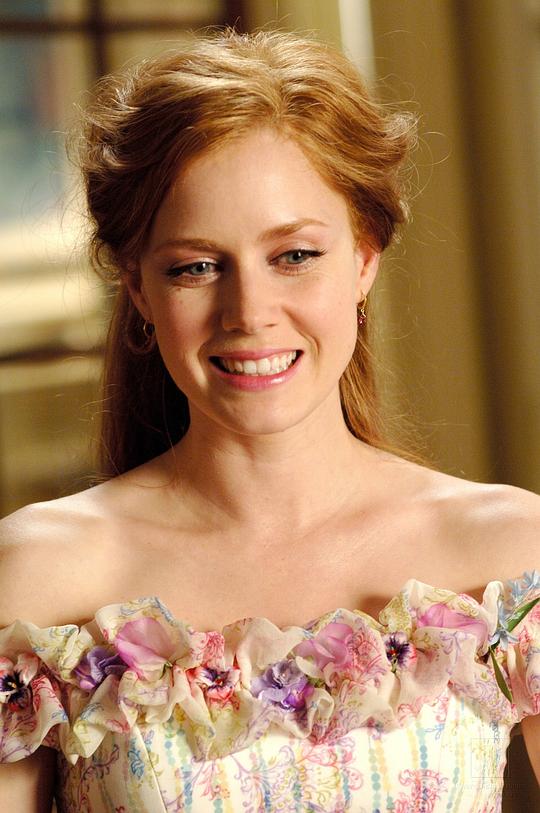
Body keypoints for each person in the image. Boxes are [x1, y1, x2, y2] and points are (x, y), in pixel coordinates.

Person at [0, 28, 538, 813]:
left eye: (294, 256)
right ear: (140, 289)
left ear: (364, 258)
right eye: (196, 266)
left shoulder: (512, 561)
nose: (249, 312)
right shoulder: (37, 579)